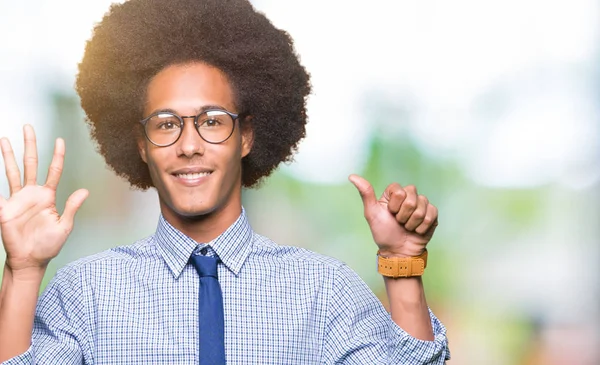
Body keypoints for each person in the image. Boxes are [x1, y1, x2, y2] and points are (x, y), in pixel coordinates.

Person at [0, 0, 450, 363]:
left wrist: (401, 262)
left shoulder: (324, 291)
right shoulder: (85, 294)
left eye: (212, 121)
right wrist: (22, 272)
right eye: (165, 124)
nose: (189, 145)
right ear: (141, 144)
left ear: (247, 136)